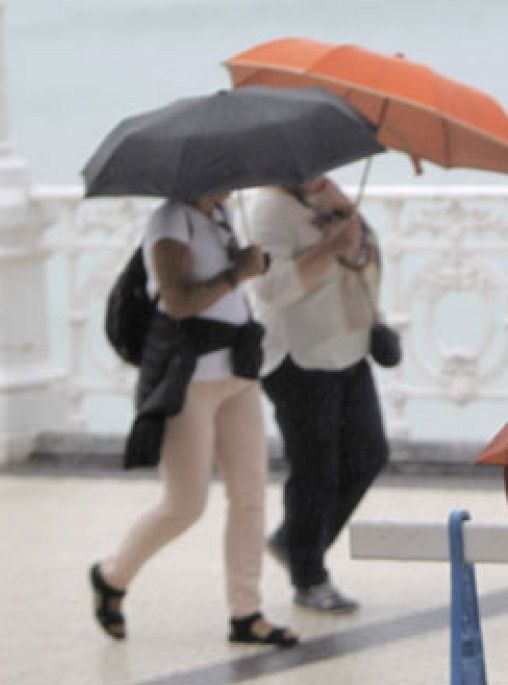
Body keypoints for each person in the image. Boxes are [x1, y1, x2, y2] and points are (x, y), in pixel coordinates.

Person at [88, 192, 299, 649]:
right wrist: (237, 273)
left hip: (237, 374)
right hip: (189, 379)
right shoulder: (170, 221)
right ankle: (111, 576)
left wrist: (247, 266)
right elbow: (179, 301)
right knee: (185, 505)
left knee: (250, 497)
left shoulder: (219, 216)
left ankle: (246, 612)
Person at [243, 177, 387, 614]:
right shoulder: (268, 209)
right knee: (314, 468)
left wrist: (349, 222)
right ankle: (309, 575)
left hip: (349, 345)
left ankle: (294, 543)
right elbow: (269, 288)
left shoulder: (325, 193)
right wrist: (328, 249)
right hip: (297, 357)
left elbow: (363, 253)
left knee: (368, 453)